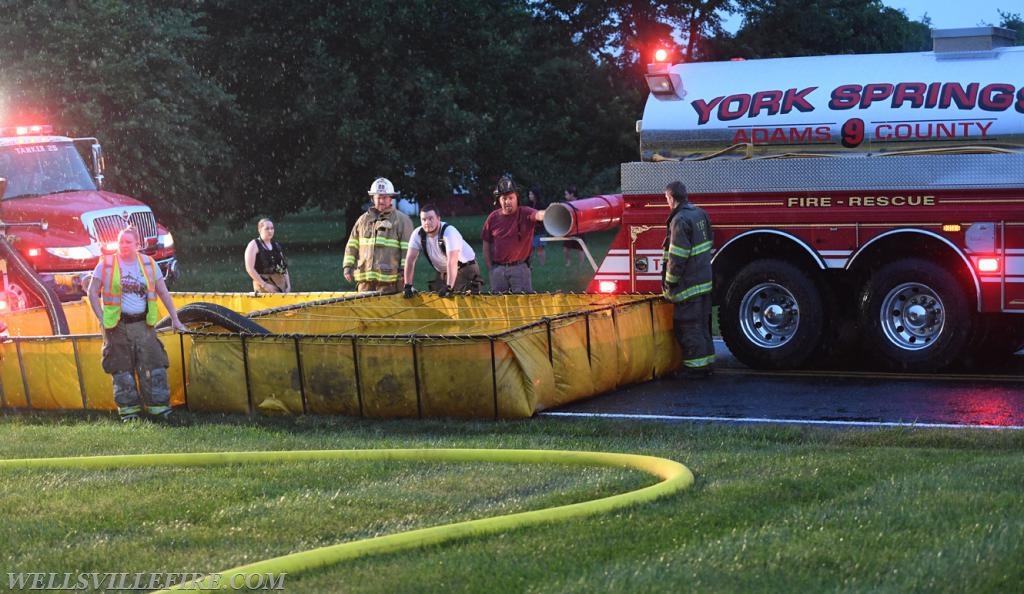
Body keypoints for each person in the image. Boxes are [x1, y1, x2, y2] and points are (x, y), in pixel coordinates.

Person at [87, 227, 187, 422]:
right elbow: (91, 292)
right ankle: (129, 413)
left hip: (144, 325)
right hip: (116, 327)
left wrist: (175, 319)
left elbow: (163, 292)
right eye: (121, 241)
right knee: (121, 370)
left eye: (128, 242)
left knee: (154, 366)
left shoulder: (149, 264)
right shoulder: (105, 265)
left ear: (138, 245)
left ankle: (159, 409)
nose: (124, 245)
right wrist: (102, 318)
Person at [662, 181, 715, 378]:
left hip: (688, 285)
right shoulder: (699, 214)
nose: (667, 202)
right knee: (701, 324)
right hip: (704, 281)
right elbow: (710, 239)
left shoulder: (680, 220)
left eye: (666, 198)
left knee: (688, 325)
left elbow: (678, 256)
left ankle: (695, 369)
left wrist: (670, 281)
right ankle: (707, 363)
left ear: (671, 197)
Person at [342, 177, 414, 294]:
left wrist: (404, 274)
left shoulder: (402, 221)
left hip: (389, 284)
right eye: (378, 197)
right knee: (364, 312)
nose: (381, 201)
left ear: (391, 198)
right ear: (372, 198)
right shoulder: (363, 220)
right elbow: (352, 244)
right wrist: (347, 266)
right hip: (364, 283)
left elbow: (408, 251)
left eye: (385, 197)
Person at [402, 204, 484, 297]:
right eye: (424, 219)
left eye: (430, 219)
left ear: (438, 218)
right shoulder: (418, 234)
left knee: (462, 302)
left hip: (466, 268)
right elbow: (410, 260)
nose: (427, 223)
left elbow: (452, 261)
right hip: (444, 271)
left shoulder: (449, 232)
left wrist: (449, 287)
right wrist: (408, 285)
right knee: (439, 300)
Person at [482, 176, 545, 292]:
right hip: (498, 270)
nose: (507, 201)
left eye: (511, 198)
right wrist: (491, 269)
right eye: (504, 198)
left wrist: (548, 213)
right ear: (498, 200)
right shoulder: (492, 218)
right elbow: (486, 245)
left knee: (523, 305)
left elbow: (538, 215)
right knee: (500, 306)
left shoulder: (526, 213)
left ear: (517, 198)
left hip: (520, 269)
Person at [244, 218, 291, 293]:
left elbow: (283, 268)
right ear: (260, 230)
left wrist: (288, 285)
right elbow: (249, 269)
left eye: (272, 228)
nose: (270, 231)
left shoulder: (276, 245)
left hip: (280, 286)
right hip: (263, 287)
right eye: (267, 229)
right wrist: (265, 285)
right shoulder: (254, 244)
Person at [562, 186, 585, 266]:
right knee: (566, 248)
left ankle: (581, 264)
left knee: (580, 248)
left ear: (572, 194)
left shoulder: (581, 203)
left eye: (566, 194)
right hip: (569, 229)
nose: (565, 196)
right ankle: (568, 262)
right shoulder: (566, 204)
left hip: (579, 229)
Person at [527, 187, 547, 266]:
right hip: (531, 230)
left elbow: (543, 216)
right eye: (529, 194)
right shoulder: (528, 205)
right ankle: (529, 264)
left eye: (531, 194)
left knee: (540, 248)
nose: (529, 195)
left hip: (540, 230)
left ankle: (542, 264)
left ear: (535, 195)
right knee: (530, 249)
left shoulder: (541, 205)